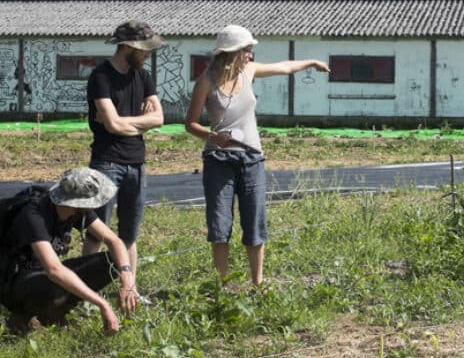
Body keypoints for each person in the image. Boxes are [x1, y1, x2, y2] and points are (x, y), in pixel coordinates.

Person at [185, 24, 329, 290]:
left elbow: (284, 67)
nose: (250, 56)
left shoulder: (248, 72)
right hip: (219, 161)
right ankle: (221, 285)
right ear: (232, 53)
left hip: (252, 159)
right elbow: (190, 124)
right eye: (247, 51)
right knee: (219, 224)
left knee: (254, 221)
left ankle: (258, 283)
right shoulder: (206, 82)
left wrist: (312, 62)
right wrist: (212, 136)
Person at [1, 168, 141, 334]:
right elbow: (54, 270)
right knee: (58, 283)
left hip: (40, 273)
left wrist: (127, 276)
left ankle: (55, 311)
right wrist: (102, 304)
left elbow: (114, 241)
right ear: (76, 202)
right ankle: (23, 316)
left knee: (112, 262)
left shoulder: (76, 211)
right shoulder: (33, 215)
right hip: (12, 282)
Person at [84, 19, 165, 274]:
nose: (148, 53)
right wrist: (140, 123)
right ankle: (86, 291)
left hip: (137, 163)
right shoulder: (101, 76)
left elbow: (159, 118)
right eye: (145, 49)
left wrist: (122, 121)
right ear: (129, 47)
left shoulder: (143, 75)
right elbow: (112, 126)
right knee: (97, 230)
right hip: (106, 162)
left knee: (129, 233)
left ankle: (130, 288)